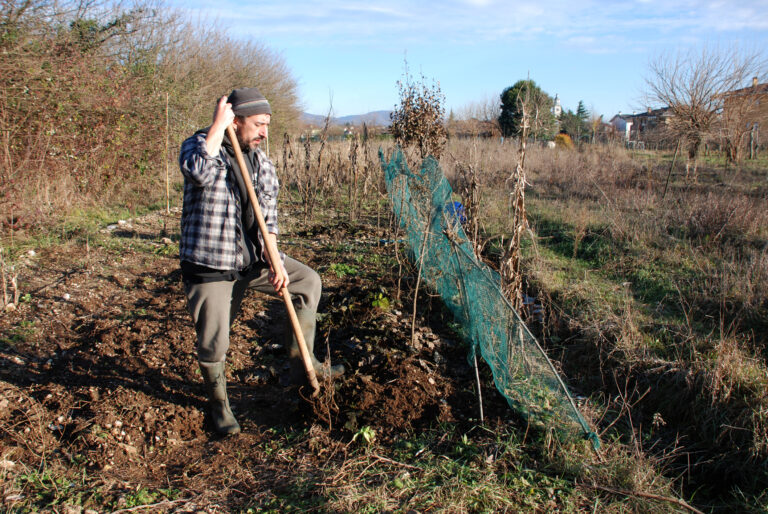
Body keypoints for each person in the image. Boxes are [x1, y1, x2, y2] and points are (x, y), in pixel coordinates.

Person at [178, 87, 344, 436]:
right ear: (233, 121)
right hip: (212, 266)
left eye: (267, 124)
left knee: (307, 282)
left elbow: (268, 220)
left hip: (251, 260)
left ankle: (303, 368)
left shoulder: (262, 163)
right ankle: (220, 406)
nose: (264, 132)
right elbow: (198, 173)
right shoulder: (200, 147)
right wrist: (216, 127)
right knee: (215, 342)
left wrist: (276, 260)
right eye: (258, 124)